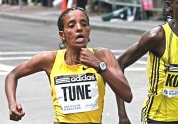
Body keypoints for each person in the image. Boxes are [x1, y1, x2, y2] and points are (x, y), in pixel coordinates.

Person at [5, 7, 133, 123]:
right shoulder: (50, 60)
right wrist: (12, 103)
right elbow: (13, 75)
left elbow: (127, 95)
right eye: (71, 25)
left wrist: (99, 66)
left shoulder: (102, 56)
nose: (79, 28)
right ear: (62, 35)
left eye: (84, 24)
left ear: (89, 31)